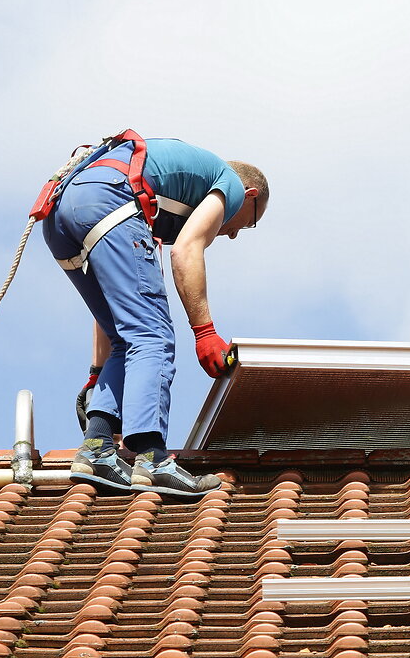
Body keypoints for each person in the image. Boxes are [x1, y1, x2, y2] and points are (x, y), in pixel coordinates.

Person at [41, 130, 268, 497]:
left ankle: (97, 447)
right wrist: (205, 332)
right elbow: (187, 250)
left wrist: (97, 375)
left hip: (61, 214)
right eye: (250, 222)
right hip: (108, 201)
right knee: (154, 336)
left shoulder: (161, 199)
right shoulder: (231, 185)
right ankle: (152, 458)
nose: (236, 234)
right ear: (251, 197)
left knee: (129, 335)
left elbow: (116, 316)